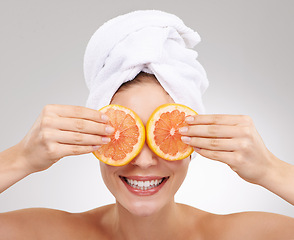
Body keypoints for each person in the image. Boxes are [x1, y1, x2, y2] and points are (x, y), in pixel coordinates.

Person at [1, 10, 294, 240]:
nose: (143, 161)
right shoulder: (47, 235)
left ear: (192, 144)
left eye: (163, 136)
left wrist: (271, 170)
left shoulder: (248, 236)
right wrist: (20, 159)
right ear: (95, 142)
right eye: (124, 136)